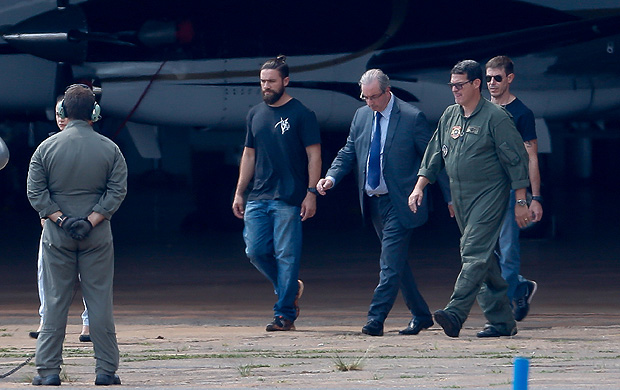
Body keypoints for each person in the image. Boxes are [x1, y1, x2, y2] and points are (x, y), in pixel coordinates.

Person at [316, 69, 452, 336]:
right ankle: (421, 315)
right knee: (396, 262)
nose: (369, 103)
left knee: (389, 264)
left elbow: (434, 160)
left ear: (388, 92)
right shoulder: (361, 116)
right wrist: (331, 178)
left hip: (401, 201)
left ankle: (375, 320)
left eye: (374, 97)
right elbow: (349, 151)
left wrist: (450, 197)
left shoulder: (412, 118)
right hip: (373, 202)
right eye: (364, 98)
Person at [409, 60, 530, 338]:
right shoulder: (450, 115)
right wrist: (419, 187)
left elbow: (516, 159)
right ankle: (502, 322)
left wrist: (521, 200)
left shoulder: (495, 117)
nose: (454, 90)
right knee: (484, 261)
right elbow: (434, 155)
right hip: (461, 199)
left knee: (473, 254)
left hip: (489, 195)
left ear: (476, 84)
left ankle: (455, 312)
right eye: (451, 85)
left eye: (459, 85)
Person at [27, 84, 127, 386]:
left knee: (55, 301)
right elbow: (117, 190)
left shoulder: (45, 149)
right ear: (94, 114)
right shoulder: (110, 149)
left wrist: (61, 218)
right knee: (98, 301)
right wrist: (92, 220)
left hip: (57, 234)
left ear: (61, 112)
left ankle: (47, 371)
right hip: (96, 234)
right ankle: (106, 370)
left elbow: (35, 191)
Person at [232, 55, 321, 332]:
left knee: (287, 255)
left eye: (271, 81)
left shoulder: (302, 114)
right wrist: (239, 192)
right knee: (255, 251)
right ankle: (290, 288)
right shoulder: (254, 114)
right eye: (262, 82)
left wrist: (311, 192)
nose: (266, 86)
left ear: (286, 81)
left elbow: (314, 156)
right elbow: (248, 154)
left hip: (289, 196)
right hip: (258, 195)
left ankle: (284, 314)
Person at [485, 56, 543, 321]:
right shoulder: (481, 109)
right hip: (484, 192)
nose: (492, 83)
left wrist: (535, 197)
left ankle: (499, 313)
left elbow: (531, 156)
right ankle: (520, 287)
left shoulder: (522, 113)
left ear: (510, 78)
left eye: (497, 78)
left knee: (508, 251)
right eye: (488, 79)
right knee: (486, 253)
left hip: (511, 191)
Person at [30, 96, 91, 343]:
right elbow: (38, 187)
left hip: (86, 219)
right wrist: (47, 213)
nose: (61, 118)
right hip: (56, 221)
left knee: (91, 277)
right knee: (46, 273)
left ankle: (89, 323)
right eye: (58, 113)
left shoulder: (98, 146)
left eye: (64, 112)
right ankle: (46, 320)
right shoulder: (47, 147)